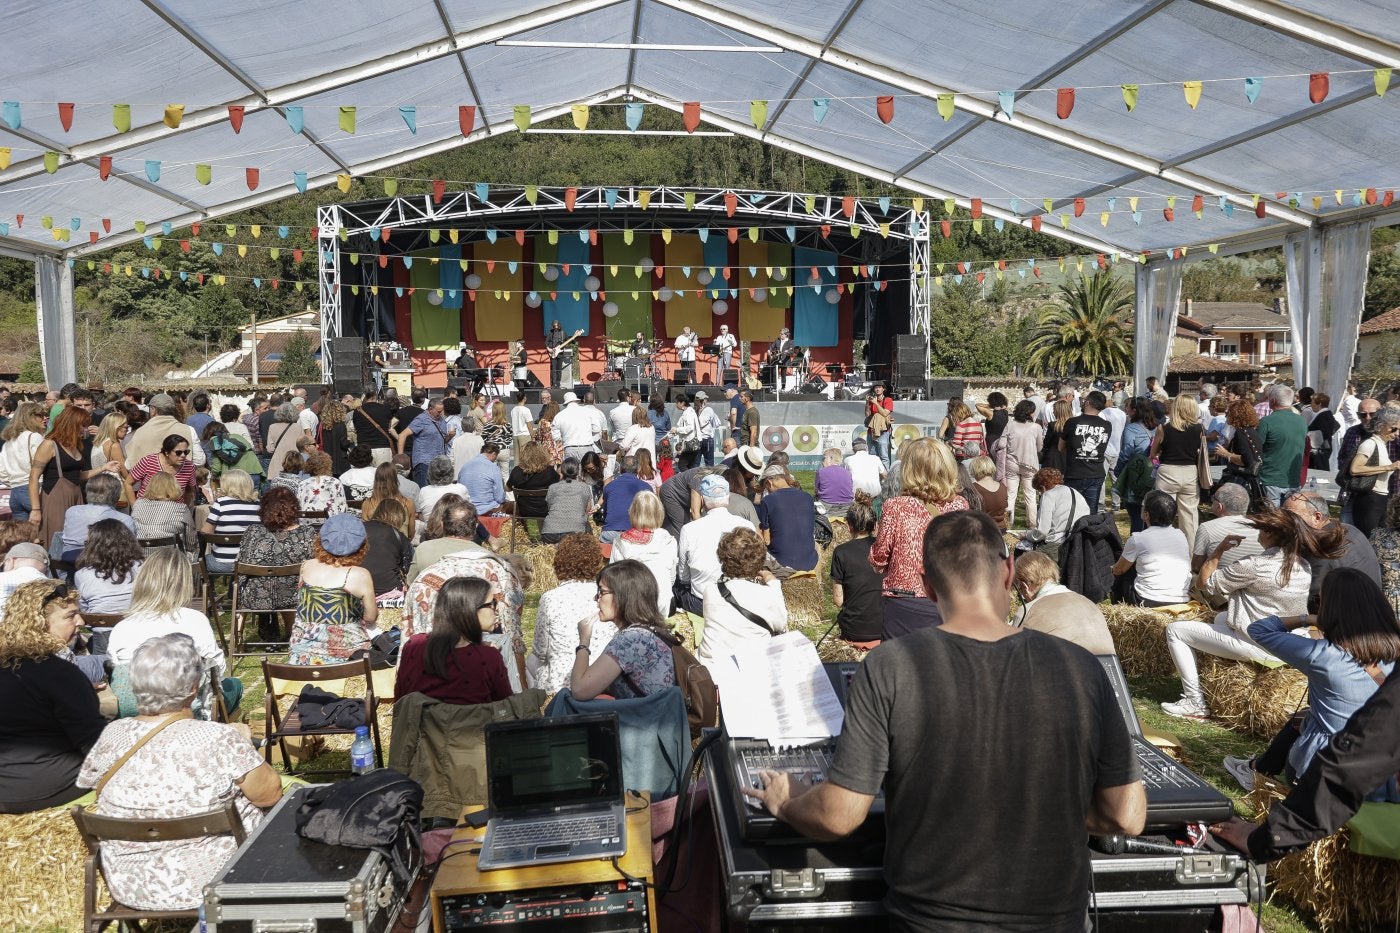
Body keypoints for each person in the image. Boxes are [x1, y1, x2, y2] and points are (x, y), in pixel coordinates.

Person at [744, 510, 1145, 930]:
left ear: (927, 586)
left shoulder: (888, 667)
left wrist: (786, 800)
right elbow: (1127, 816)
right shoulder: (1081, 667)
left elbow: (838, 815)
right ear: (1009, 572)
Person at [76, 634, 280, 910]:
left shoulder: (113, 734)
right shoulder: (217, 737)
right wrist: (244, 746)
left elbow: (91, 785)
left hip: (132, 886)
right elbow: (270, 794)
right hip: (217, 882)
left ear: (134, 685)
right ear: (194, 687)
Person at [1223, 568, 1400, 798]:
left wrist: (1308, 618)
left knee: (1306, 719)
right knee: (1309, 716)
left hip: (1330, 774)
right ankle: (1259, 767)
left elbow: (1260, 629)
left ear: (1330, 609)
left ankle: (1259, 770)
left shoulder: (1322, 655)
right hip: (1388, 778)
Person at [1161, 507, 1343, 718]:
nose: (1258, 533)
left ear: (1269, 534)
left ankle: (1194, 702)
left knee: (1175, 630)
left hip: (1258, 643)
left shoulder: (1254, 565)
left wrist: (1219, 551)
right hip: (1287, 642)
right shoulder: (1302, 564)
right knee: (1221, 617)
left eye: (1260, 529)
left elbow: (1203, 584)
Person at [0, 578, 107, 812]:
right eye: (70, 616)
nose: (80, 622)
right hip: (51, 788)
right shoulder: (60, 673)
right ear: (39, 623)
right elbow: (95, 747)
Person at [870, 437, 969, 639]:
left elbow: (879, 558)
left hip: (905, 600)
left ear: (909, 469)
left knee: (900, 665)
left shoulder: (895, 507)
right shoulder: (960, 505)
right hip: (947, 599)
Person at [569, 560, 678, 700]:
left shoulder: (631, 639)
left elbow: (579, 691)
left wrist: (584, 642)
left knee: (566, 701)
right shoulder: (650, 632)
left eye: (601, 591)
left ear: (622, 596)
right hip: (662, 718)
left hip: (644, 721)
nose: (596, 598)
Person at [395, 575, 512, 704]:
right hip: (474, 724)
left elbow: (401, 700)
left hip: (419, 723)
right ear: (471, 609)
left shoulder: (414, 646)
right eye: (492, 604)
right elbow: (506, 708)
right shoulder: (488, 658)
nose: (496, 610)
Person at [288, 514, 379, 666]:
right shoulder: (360, 574)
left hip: (301, 656)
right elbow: (370, 617)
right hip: (348, 659)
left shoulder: (306, 566)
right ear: (361, 545)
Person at [530, 534, 617, 694]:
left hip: (560, 687)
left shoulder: (551, 598)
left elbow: (540, 651)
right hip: (603, 681)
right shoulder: (608, 595)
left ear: (559, 562)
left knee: (529, 664)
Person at [697, 527, 787, 667]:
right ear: (759, 561)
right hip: (751, 667)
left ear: (723, 558)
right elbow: (781, 625)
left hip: (712, 668)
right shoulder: (766, 594)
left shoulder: (711, 591)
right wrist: (773, 583)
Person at [235, 486, 317, 635]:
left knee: (243, 584)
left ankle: (237, 636)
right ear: (294, 508)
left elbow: (240, 564)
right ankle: (290, 634)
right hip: (294, 597)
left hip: (254, 597)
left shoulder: (253, 531)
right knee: (291, 582)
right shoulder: (307, 533)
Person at [1285, 488, 1383, 609]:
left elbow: (1313, 599)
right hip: (1370, 608)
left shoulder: (1322, 544)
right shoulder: (1348, 529)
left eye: (1291, 517)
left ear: (1317, 517)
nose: (1285, 522)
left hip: (1352, 617)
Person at [1011, 550, 1115, 655]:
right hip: (1108, 668)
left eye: (1020, 591)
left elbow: (1013, 654)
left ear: (1024, 586)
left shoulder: (1028, 611)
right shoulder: (1089, 603)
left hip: (1066, 668)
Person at [28, 405, 103, 548]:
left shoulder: (74, 445)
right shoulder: (49, 445)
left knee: (76, 538)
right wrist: (36, 509)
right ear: (72, 424)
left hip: (75, 496)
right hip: (56, 499)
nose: (85, 429)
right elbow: (33, 478)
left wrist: (103, 468)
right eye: (83, 425)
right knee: (56, 539)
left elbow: (78, 475)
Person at [1112, 490, 1192, 608]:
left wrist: (1111, 568)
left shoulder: (1137, 539)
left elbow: (1119, 570)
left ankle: (1117, 605)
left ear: (1146, 515)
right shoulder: (1181, 535)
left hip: (1147, 599)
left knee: (1124, 571)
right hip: (1181, 598)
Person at [608, 491, 678, 619]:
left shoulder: (621, 541)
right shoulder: (669, 540)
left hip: (631, 606)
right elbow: (671, 577)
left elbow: (613, 579)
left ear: (633, 512)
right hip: (663, 605)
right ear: (659, 512)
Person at [829, 493, 884, 644]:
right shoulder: (885, 548)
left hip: (854, 630)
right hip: (886, 627)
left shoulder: (841, 552)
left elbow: (838, 601)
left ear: (848, 525)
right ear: (875, 525)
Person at [1151, 394, 1205, 546]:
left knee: (1162, 514)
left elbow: (1152, 453)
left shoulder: (1163, 428)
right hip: (1190, 472)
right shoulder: (1200, 429)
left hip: (1168, 471)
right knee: (1189, 517)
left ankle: (1161, 549)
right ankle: (1191, 555)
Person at [1346, 405, 1400, 537]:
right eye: (1393, 428)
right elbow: (1355, 469)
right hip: (1369, 500)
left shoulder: (1382, 444)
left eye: (1398, 429)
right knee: (1370, 539)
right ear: (1381, 426)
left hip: (1379, 498)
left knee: (1377, 539)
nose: (1397, 433)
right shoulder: (1370, 444)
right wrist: (1388, 467)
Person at [756, 465, 819, 577]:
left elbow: (766, 540)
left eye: (766, 488)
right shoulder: (808, 497)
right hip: (810, 563)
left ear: (769, 483)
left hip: (782, 563)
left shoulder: (767, 501)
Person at [59, 471, 133, 563]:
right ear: (116, 494)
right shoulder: (124, 519)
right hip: (100, 563)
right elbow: (129, 549)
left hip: (68, 559)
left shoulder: (72, 511)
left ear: (87, 491)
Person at [1193, 482, 1264, 574]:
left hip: (1218, 584)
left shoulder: (1206, 527)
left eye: (1213, 498)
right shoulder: (1262, 529)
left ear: (1219, 506)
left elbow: (1196, 567)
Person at [75, 519, 144, 614]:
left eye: (87, 543)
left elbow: (84, 609)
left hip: (99, 627)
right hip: (137, 623)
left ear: (93, 547)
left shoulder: (81, 575)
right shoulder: (143, 567)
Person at [1059, 390, 1111, 513]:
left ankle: (1073, 532)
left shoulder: (1072, 422)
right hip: (1095, 473)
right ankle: (1087, 532)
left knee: (1072, 511)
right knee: (1091, 511)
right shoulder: (1107, 425)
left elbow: (1060, 447)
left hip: (1074, 473)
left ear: (1087, 402)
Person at [123, 393, 205, 470]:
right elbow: (199, 461)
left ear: (153, 409)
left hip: (150, 483)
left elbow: (129, 465)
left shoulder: (140, 432)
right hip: (180, 483)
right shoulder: (188, 429)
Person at [1257, 383, 1307, 505]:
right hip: (1293, 479)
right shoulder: (1301, 421)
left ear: (1272, 400)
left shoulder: (1266, 421)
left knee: (1271, 521)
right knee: (1289, 520)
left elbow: (1256, 449)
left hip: (1270, 478)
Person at [0, 402, 49, 521]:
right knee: (42, 534)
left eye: (45, 414)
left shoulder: (8, 442)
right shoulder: (34, 437)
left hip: (15, 492)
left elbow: (2, 472)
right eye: (40, 415)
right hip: (33, 489)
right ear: (29, 417)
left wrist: (14, 480)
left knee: (22, 535)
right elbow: (43, 464)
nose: (45, 418)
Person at [1027, 467, 1086, 562]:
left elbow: (1042, 532)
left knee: (1027, 561)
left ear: (1042, 487)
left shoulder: (1048, 495)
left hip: (1057, 545)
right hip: (1078, 543)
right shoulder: (1075, 492)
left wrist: (1027, 535)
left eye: (1040, 490)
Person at [361, 498, 413, 605]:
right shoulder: (399, 536)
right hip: (389, 588)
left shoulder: (360, 528)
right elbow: (408, 567)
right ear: (398, 517)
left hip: (359, 584)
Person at [1001, 399, 1044, 528]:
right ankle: (1032, 525)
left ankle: (1008, 524)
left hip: (1012, 463)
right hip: (1030, 464)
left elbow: (1002, 444)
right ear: (1030, 412)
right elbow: (1039, 448)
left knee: (1010, 494)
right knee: (1030, 496)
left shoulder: (1010, 425)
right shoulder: (1036, 427)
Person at [132, 472, 196, 551]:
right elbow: (190, 538)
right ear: (174, 487)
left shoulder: (138, 504)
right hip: (170, 557)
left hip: (141, 556)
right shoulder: (181, 508)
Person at [129, 432, 197, 503]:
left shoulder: (189, 467)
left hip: (174, 511)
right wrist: (134, 506)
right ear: (167, 452)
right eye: (178, 452)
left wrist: (186, 509)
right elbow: (128, 483)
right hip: (146, 509)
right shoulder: (148, 461)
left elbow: (190, 491)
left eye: (186, 452)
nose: (183, 455)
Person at [598, 455, 649, 545]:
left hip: (610, 534)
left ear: (620, 469)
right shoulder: (646, 487)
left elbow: (606, 513)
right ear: (638, 470)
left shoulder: (609, 486)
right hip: (636, 534)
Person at [362, 461, 417, 541]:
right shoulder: (408, 503)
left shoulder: (367, 504)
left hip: (375, 548)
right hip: (401, 548)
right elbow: (411, 534)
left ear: (376, 480)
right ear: (395, 480)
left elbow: (366, 532)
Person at [91, 412, 136, 502]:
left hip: (98, 485)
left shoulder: (98, 442)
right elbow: (123, 470)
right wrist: (132, 484)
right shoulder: (113, 445)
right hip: (115, 487)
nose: (127, 430)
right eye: (126, 427)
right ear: (116, 427)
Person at [414, 455, 468, 525]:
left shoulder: (424, 491)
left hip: (433, 531)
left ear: (430, 473)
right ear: (451, 472)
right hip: (457, 530)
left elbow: (422, 516)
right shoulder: (461, 488)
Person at [352, 389, 397, 465]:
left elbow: (356, 428)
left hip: (364, 449)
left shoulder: (357, 411)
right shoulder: (386, 409)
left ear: (365, 397)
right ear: (375, 396)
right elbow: (390, 426)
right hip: (383, 447)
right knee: (384, 475)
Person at [967, 455, 1007, 531]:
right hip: (1001, 529)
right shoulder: (1003, 487)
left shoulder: (973, 488)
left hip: (982, 531)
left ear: (975, 469)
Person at [814, 448, 854, 518]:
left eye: (824, 459)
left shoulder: (821, 472)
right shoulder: (848, 473)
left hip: (827, 505)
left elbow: (816, 491)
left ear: (830, 458)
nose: (822, 462)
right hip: (847, 505)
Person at [865, 382, 894, 467]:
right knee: (872, 456)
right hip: (872, 431)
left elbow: (885, 413)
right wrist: (867, 403)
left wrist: (876, 403)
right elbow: (867, 415)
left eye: (879, 387)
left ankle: (886, 479)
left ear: (883, 389)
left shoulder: (888, 400)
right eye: (876, 388)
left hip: (883, 432)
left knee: (884, 457)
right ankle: (875, 476)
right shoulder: (872, 401)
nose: (877, 389)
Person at [1039, 398, 1071, 473]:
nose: (1053, 411)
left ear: (1059, 411)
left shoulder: (1053, 425)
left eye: (1054, 410)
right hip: (1068, 458)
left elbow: (1047, 443)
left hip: (1053, 458)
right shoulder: (1074, 425)